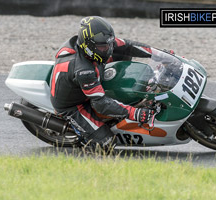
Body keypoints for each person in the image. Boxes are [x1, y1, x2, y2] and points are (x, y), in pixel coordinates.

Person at [50, 16, 155, 150]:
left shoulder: (99, 44)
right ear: (88, 46)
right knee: (107, 144)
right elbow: (100, 103)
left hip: (84, 83)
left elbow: (128, 45)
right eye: (103, 47)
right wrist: (135, 113)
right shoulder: (83, 70)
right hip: (73, 106)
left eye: (109, 44)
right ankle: (85, 139)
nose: (109, 49)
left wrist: (160, 54)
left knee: (123, 51)